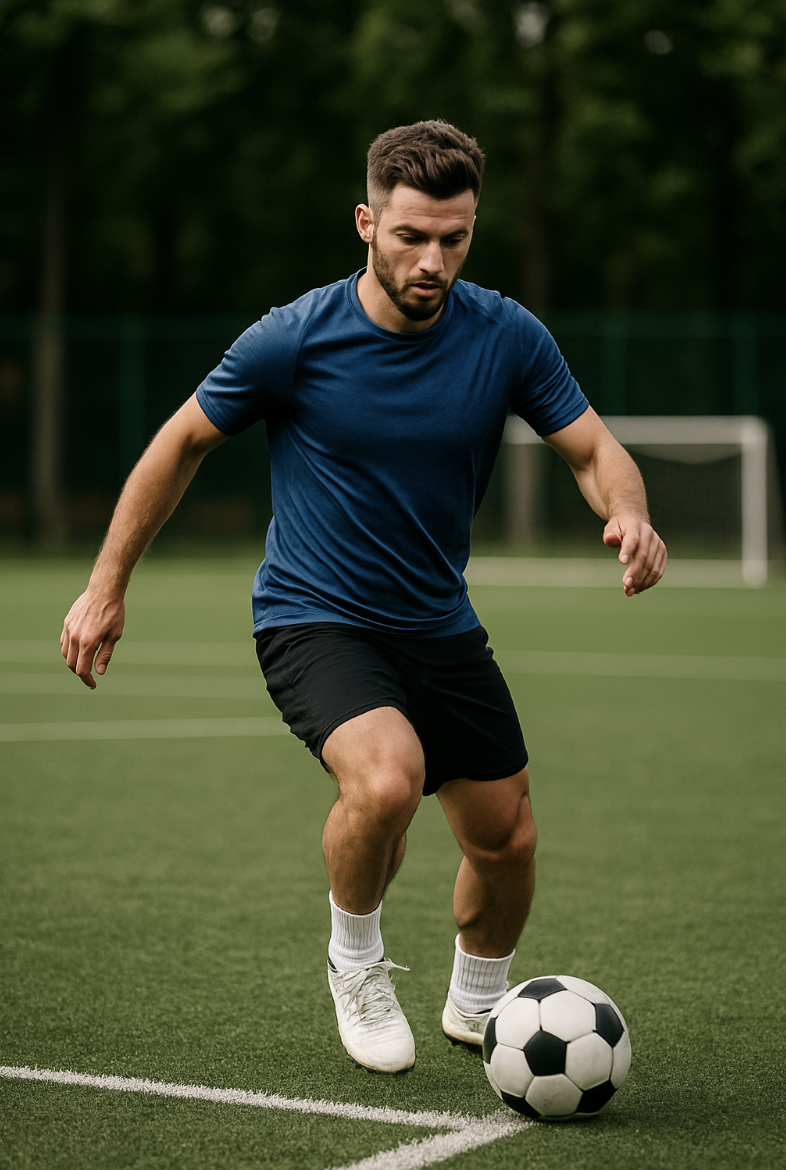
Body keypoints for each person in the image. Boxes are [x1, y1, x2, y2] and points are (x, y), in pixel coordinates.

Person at [61, 120, 667, 1075]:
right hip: (315, 616)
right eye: (411, 237)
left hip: (438, 621)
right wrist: (106, 587)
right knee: (385, 780)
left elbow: (593, 450)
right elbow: (178, 444)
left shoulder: (506, 334)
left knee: (506, 838)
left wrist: (629, 514)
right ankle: (357, 964)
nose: (434, 261)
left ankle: (475, 1003)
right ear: (365, 223)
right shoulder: (293, 339)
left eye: (455, 238)